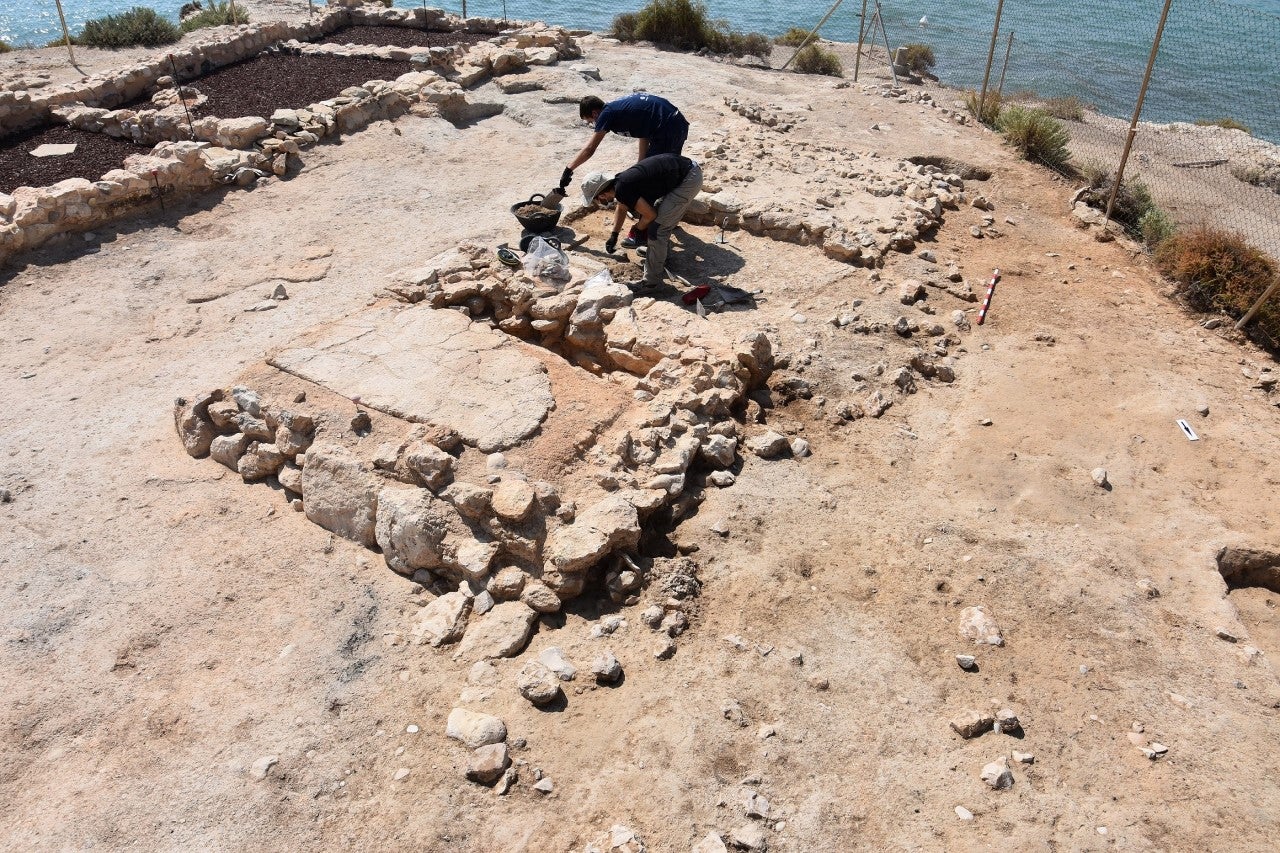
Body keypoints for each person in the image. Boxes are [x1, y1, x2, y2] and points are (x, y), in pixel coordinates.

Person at [559, 93, 690, 248]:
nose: (594, 123)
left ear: (595, 113)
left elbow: (590, 149)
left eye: (591, 120)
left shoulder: (607, 113)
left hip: (669, 126)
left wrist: (569, 169)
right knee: (652, 177)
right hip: (668, 125)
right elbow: (644, 132)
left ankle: (651, 233)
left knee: (658, 178)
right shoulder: (618, 112)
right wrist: (641, 163)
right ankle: (663, 220)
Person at [580, 153, 703, 295]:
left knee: (657, 229)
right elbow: (622, 206)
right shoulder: (620, 183)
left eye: (596, 200)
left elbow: (651, 215)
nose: (599, 203)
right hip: (685, 171)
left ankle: (652, 284)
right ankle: (657, 255)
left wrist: (637, 229)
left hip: (688, 179)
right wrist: (614, 235)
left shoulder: (622, 188)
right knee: (655, 216)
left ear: (601, 195)